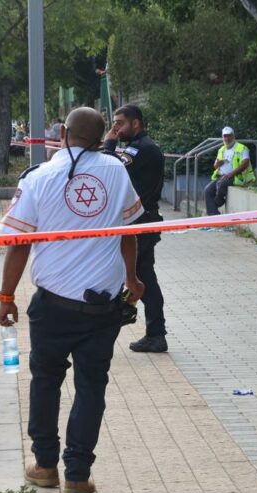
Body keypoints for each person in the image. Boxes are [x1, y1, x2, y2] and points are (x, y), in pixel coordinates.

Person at [0, 107, 145, 493]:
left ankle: (45, 466)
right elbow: (129, 232)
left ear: (62, 132)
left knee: (45, 383)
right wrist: (132, 278)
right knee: (91, 388)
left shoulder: (39, 177)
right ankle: (77, 475)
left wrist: (6, 297)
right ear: (100, 139)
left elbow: (18, 245)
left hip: (53, 307)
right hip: (103, 308)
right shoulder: (116, 171)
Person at [104, 105, 169, 351]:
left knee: (138, 277)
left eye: (120, 123)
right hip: (137, 221)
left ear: (136, 124)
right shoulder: (138, 147)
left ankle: (153, 331)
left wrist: (108, 145)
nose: (115, 128)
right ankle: (155, 332)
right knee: (143, 277)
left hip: (140, 223)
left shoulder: (143, 149)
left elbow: (111, 171)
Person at [204, 126, 255, 216]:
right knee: (207, 190)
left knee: (221, 184)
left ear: (233, 136)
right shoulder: (221, 149)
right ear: (222, 137)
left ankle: (216, 203)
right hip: (222, 176)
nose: (227, 138)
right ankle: (213, 215)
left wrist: (231, 174)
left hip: (236, 176)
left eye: (229, 136)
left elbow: (245, 163)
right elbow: (215, 166)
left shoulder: (242, 148)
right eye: (225, 136)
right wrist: (218, 163)